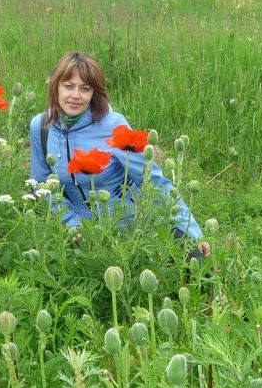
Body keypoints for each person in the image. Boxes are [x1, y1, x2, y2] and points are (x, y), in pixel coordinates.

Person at [29, 51, 211, 259]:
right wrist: (71, 223)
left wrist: (194, 233)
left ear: (94, 93)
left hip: (135, 230)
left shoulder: (113, 125)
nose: (76, 95)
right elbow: (41, 184)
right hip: (81, 236)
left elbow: (152, 180)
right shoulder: (41, 127)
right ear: (55, 86)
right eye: (68, 86)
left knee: (196, 263)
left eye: (85, 89)